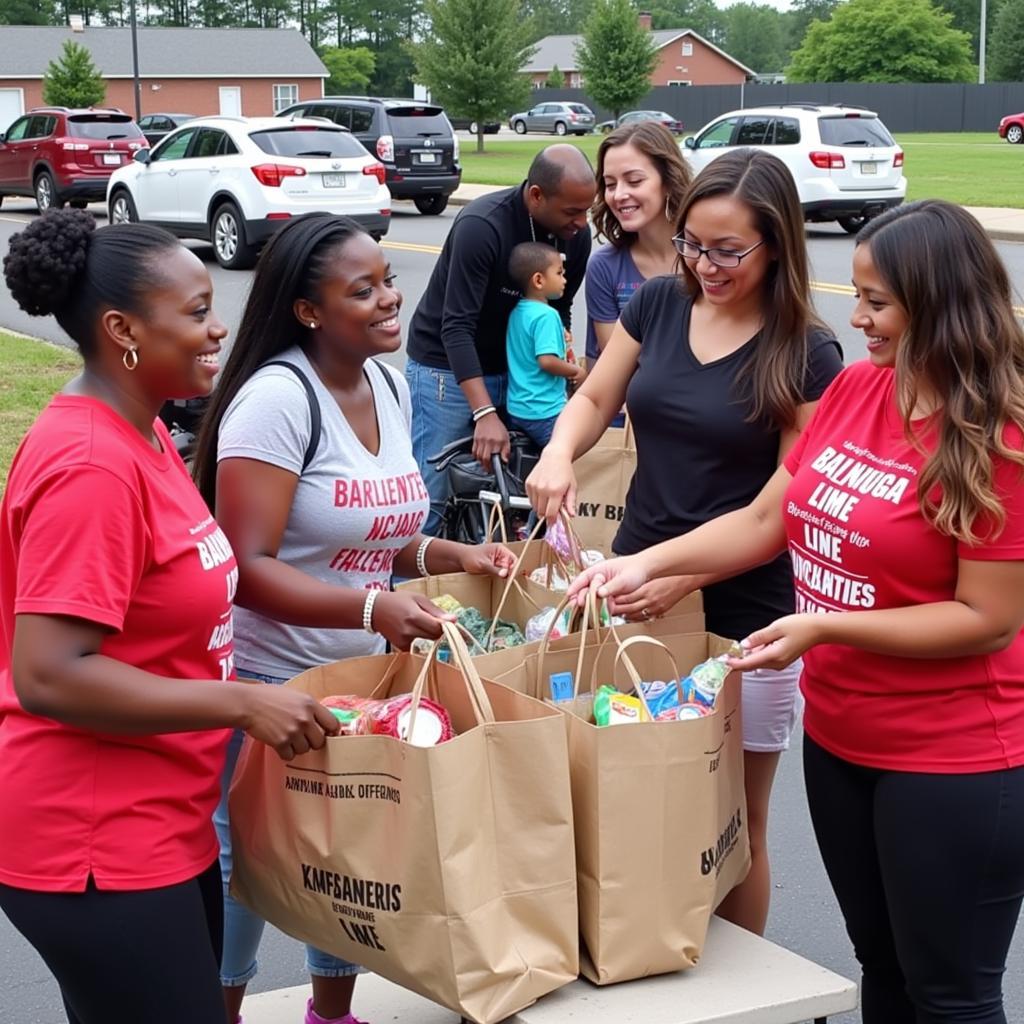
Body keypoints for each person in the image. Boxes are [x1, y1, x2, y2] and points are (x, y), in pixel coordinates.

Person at [565, 199, 1024, 1024]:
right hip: (844, 736)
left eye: (878, 302)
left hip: (956, 759)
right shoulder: (855, 389)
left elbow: (985, 619)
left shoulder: (1000, 436)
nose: (858, 319)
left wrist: (821, 627)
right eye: (858, 295)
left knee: (950, 995)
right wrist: (641, 563)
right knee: (879, 967)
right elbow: (766, 520)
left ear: (943, 304)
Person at [0, 210, 338, 1024]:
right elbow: (47, 672)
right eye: (193, 312)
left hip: (163, 819)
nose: (218, 325)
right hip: (95, 840)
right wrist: (242, 703)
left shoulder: (141, 427)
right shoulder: (91, 465)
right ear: (121, 329)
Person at [191, 213, 517, 1024]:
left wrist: (453, 557)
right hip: (270, 681)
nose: (389, 299)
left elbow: (383, 537)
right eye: (362, 289)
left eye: (387, 281)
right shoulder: (275, 400)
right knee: (253, 866)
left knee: (348, 851)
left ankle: (331, 1015)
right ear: (307, 310)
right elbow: (246, 570)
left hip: (362, 677)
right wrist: (375, 606)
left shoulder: (389, 382)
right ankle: (219, 1012)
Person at [527, 149, 844, 936]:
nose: (705, 265)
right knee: (625, 796)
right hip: (635, 596)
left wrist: (666, 569)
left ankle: (735, 987)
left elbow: (776, 517)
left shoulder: (808, 351)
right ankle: (641, 952)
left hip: (744, 618)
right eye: (693, 245)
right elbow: (599, 393)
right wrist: (559, 451)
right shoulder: (662, 304)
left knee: (731, 819)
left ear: (777, 245)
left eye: (728, 250)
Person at [405, 144, 596, 533]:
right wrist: (484, 412)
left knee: (499, 501)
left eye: (587, 210)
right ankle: (409, 591)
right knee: (433, 498)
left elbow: (558, 312)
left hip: (515, 373)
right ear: (537, 195)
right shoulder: (483, 225)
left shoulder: (575, 238)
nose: (581, 222)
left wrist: (565, 377)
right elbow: (455, 326)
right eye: (572, 211)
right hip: (446, 371)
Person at [585, 119, 693, 371]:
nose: (619, 194)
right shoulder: (604, 266)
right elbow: (617, 368)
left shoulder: (704, 257)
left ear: (668, 181)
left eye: (634, 181)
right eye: (610, 184)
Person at [505, 241, 586, 449]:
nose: (564, 280)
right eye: (559, 273)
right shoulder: (547, 315)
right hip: (545, 409)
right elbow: (547, 361)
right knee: (559, 462)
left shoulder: (517, 311)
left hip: (517, 408)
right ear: (539, 280)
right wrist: (576, 371)